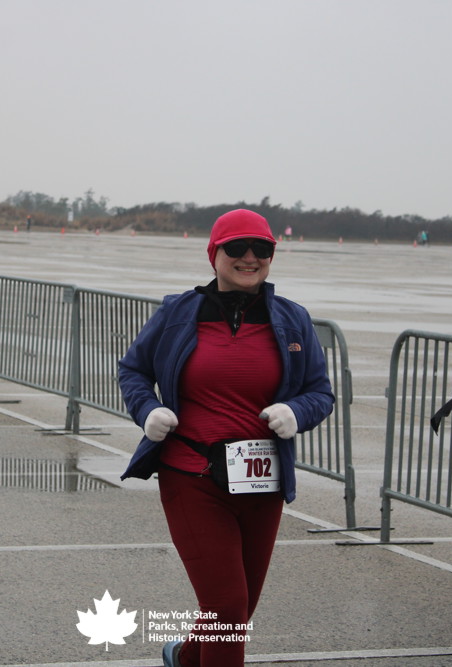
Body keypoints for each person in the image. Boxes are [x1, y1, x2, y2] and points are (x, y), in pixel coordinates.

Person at [118, 209, 335, 666]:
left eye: (263, 249)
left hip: (262, 482)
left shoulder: (293, 319)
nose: (250, 258)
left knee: (236, 610)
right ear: (214, 254)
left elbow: (320, 392)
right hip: (191, 476)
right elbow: (133, 369)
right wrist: (147, 410)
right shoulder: (178, 313)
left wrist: (296, 412)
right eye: (237, 248)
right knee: (227, 607)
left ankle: (184, 658)